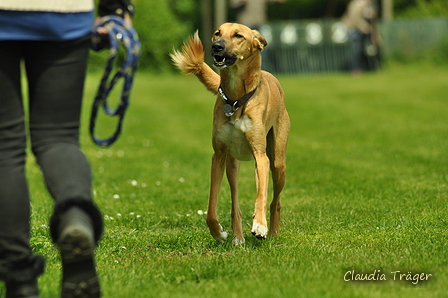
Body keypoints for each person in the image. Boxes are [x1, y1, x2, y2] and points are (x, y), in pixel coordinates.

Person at [0, 0, 134, 297]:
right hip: (63, 12)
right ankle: (76, 217)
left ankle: (20, 282)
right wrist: (116, 7)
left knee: (4, 148)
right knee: (58, 137)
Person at [342, 0, 381, 74]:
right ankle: (356, 70)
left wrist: (375, 34)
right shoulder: (356, 4)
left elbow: (374, 21)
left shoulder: (371, 5)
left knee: (365, 51)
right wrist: (363, 27)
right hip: (354, 30)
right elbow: (354, 18)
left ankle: (367, 69)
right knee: (356, 51)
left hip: (366, 31)